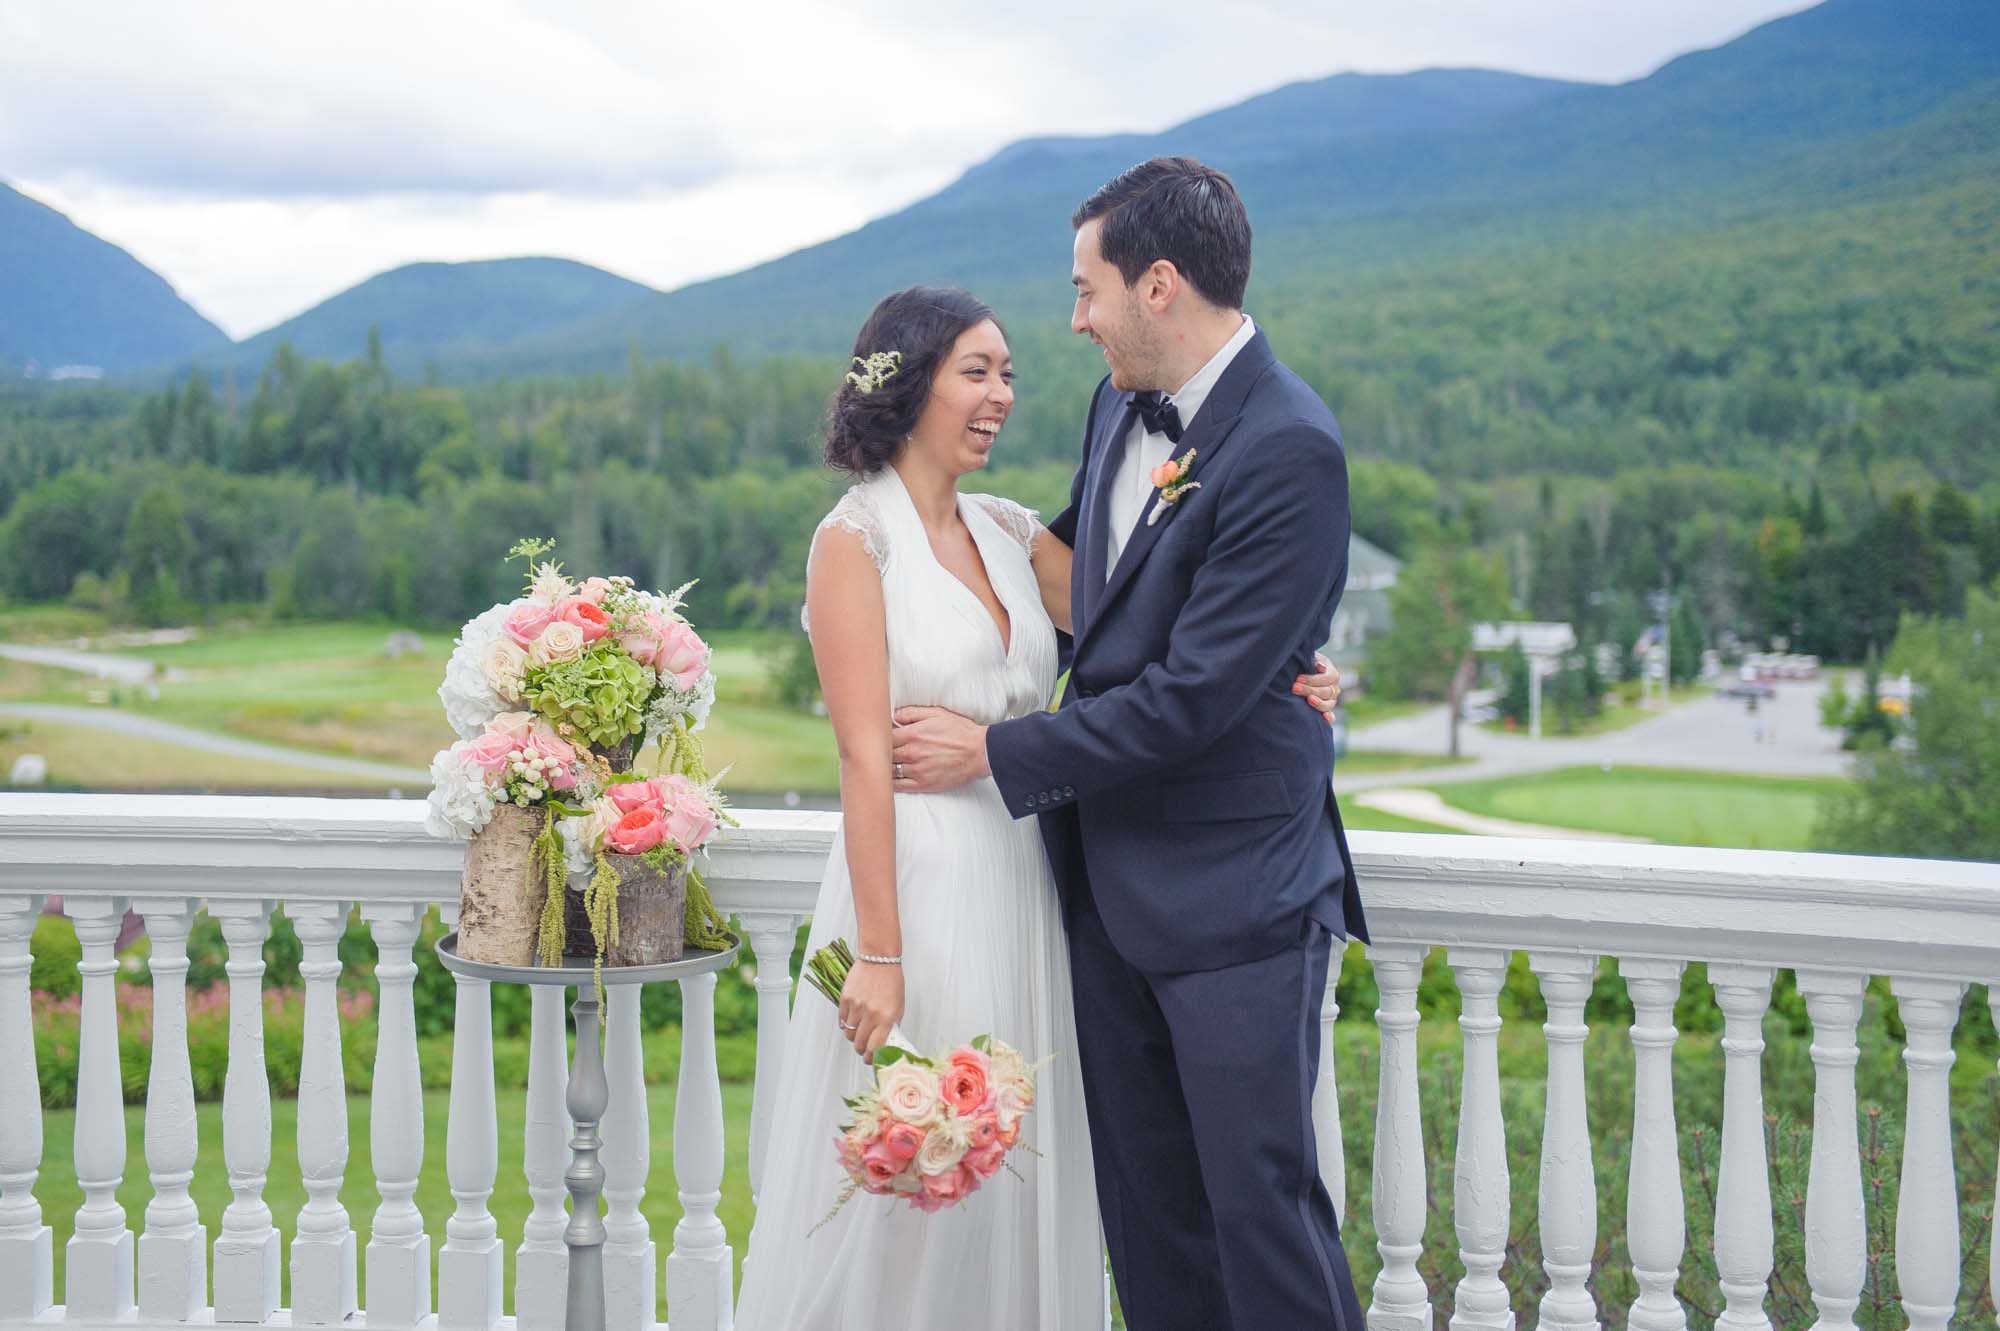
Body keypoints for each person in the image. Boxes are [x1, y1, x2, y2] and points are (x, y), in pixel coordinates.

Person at [733, 281, 1342, 1329]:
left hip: (1030, 878)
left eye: (1007, 372)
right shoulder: (853, 541)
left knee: (1021, 1163)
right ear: (908, 381)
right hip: (917, 891)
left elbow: (1161, 625)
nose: (1002, 394)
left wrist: (1293, 658)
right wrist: (878, 951)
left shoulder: (1010, 529)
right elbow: (859, 760)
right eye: (976, 371)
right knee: (917, 1180)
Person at [890, 157, 1369, 1329]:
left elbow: (1193, 695)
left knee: (1261, 1215)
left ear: (1157, 285)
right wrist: (919, 530)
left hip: (1235, 902)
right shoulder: (1117, 402)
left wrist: (996, 753)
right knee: (1149, 1224)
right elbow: (1088, 588)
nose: (1073, 319)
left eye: (1086, 289)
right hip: (1103, 897)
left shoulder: (1289, 446)